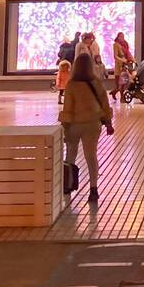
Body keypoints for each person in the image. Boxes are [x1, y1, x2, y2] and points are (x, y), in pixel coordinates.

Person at [60, 52, 110, 203]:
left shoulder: (71, 84)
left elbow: (67, 108)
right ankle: (93, 188)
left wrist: (65, 127)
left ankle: (68, 185)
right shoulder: (96, 83)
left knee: (70, 155)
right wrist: (108, 123)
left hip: (74, 124)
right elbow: (105, 104)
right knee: (91, 155)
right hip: (92, 124)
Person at [111, 31, 133, 101]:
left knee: (123, 83)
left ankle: (122, 98)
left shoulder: (125, 44)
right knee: (118, 85)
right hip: (119, 65)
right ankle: (114, 92)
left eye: (123, 36)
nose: (122, 38)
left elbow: (128, 53)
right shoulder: (116, 44)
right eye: (121, 36)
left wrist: (132, 59)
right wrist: (122, 60)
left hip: (125, 65)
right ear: (118, 37)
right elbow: (115, 56)